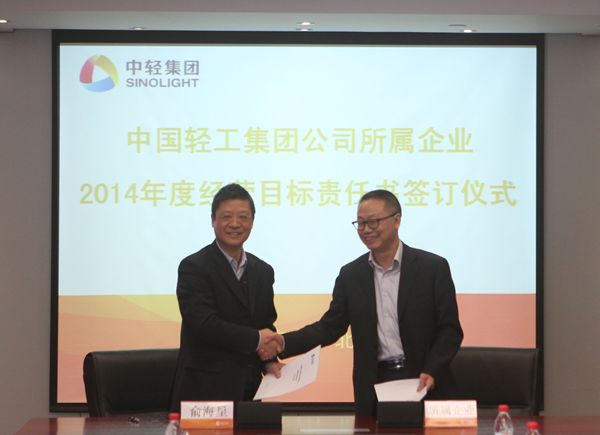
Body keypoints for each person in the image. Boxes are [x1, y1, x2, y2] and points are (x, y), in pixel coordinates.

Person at [271, 189, 463, 416]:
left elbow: (450, 329)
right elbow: (330, 327)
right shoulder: (351, 275)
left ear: (396, 220)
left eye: (373, 222)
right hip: (375, 385)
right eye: (360, 223)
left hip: (426, 381)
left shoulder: (432, 268)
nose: (366, 229)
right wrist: (283, 343)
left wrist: (433, 369)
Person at [169, 183, 282, 411]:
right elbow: (204, 324)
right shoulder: (194, 267)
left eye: (243, 217)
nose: (235, 224)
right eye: (226, 217)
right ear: (213, 220)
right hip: (204, 393)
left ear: (252, 221)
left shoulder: (263, 271)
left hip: (248, 392)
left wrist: (269, 361)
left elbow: (265, 323)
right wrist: (257, 339)